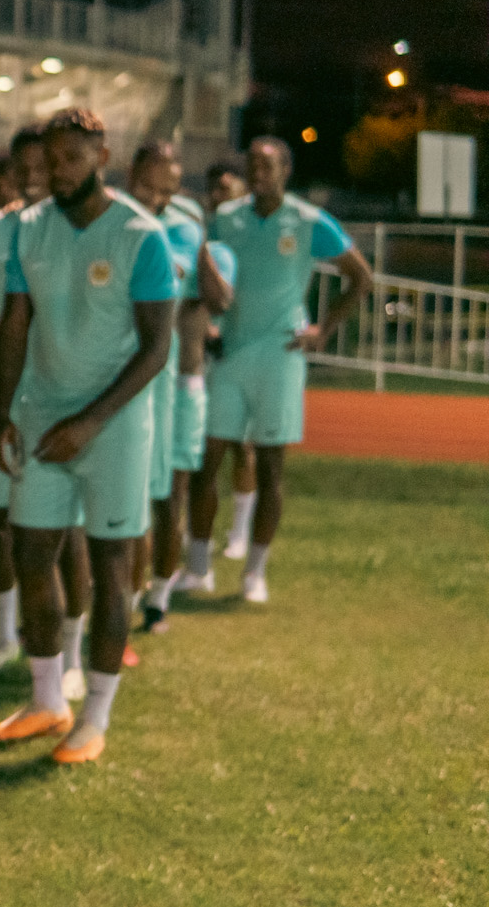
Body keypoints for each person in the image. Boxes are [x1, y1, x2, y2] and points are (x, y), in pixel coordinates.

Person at [0, 109, 177, 764]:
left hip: (115, 425)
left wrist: (90, 421)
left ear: (102, 154)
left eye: (72, 158)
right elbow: (14, 324)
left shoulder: (140, 235)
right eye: (52, 160)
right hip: (42, 416)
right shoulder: (28, 230)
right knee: (31, 554)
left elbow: (156, 349)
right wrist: (5, 411)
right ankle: (46, 700)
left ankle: (94, 717)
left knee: (111, 565)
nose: (59, 171)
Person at [185, 137, 373, 602]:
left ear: (286, 170)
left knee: (271, 467)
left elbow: (361, 278)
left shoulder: (308, 220)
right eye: (252, 165)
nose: (258, 172)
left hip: (280, 355)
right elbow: (207, 274)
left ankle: (254, 574)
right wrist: (209, 323)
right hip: (230, 353)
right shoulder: (227, 219)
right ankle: (198, 567)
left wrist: (322, 329)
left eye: (268, 165)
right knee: (205, 463)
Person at [0, 128, 93, 680]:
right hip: (5, 404)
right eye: (23, 165)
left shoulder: (80, 228)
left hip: (62, 402)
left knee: (67, 532)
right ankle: (3, 641)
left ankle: (73, 661)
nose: (33, 174)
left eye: (42, 164)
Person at [125, 141, 232, 632]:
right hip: (128, 380)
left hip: (182, 379)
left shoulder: (186, 229)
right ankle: (124, 596)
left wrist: (202, 245)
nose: (157, 198)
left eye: (167, 189)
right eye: (148, 186)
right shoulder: (113, 224)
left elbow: (220, 300)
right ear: (131, 178)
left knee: (171, 494)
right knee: (125, 493)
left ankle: (158, 600)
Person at [177, 157, 259, 585]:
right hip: (203, 353)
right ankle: (196, 553)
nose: (217, 197)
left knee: (240, 447)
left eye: (226, 188)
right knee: (200, 456)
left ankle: (240, 533)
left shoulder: (250, 233)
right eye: (214, 190)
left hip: (239, 350)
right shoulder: (204, 231)